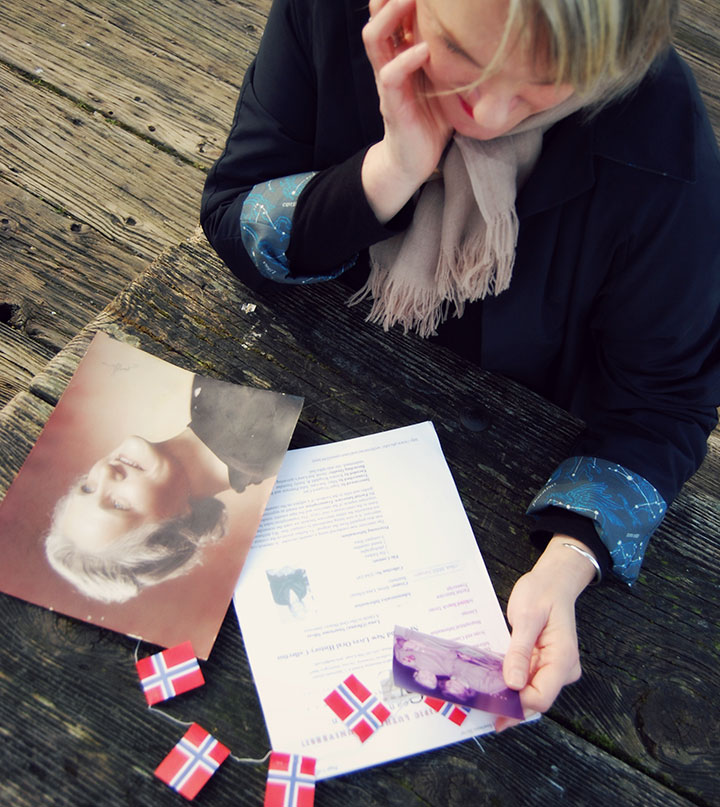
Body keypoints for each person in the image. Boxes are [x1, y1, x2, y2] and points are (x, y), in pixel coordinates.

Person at [200, 0, 720, 731]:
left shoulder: (658, 133)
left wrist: (569, 559)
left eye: (545, 85)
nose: (488, 113)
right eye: (461, 57)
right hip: (311, 382)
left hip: (517, 468)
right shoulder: (326, 14)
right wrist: (391, 168)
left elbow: (666, 402)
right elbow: (233, 213)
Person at [46, 375, 302, 603]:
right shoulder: (260, 432)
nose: (104, 474)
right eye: (118, 505)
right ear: (174, 530)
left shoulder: (214, 415)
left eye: (87, 488)